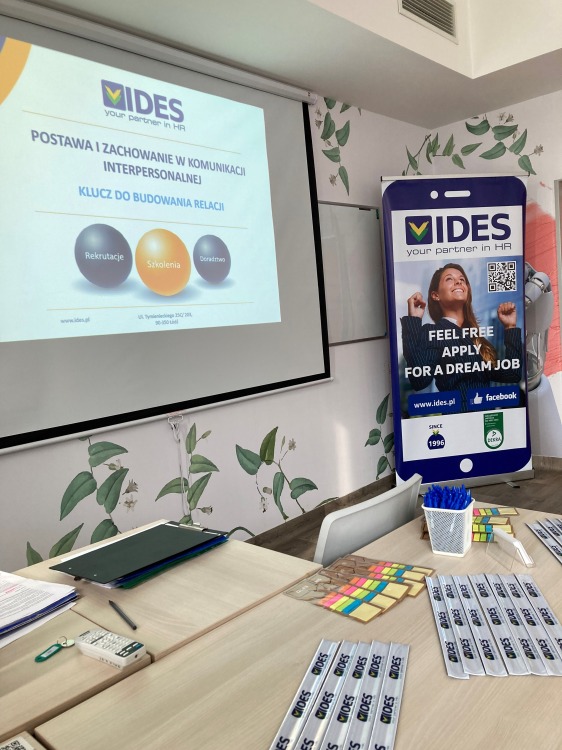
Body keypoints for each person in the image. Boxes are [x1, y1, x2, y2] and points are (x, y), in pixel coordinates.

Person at [401, 263, 523, 411]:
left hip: (486, 418)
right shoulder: (433, 332)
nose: (458, 281)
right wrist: (413, 320)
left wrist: (510, 327)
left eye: (462, 279)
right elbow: (419, 379)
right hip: (457, 418)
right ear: (435, 295)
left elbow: (512, 374)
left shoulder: (476, 338)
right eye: (449, 279)